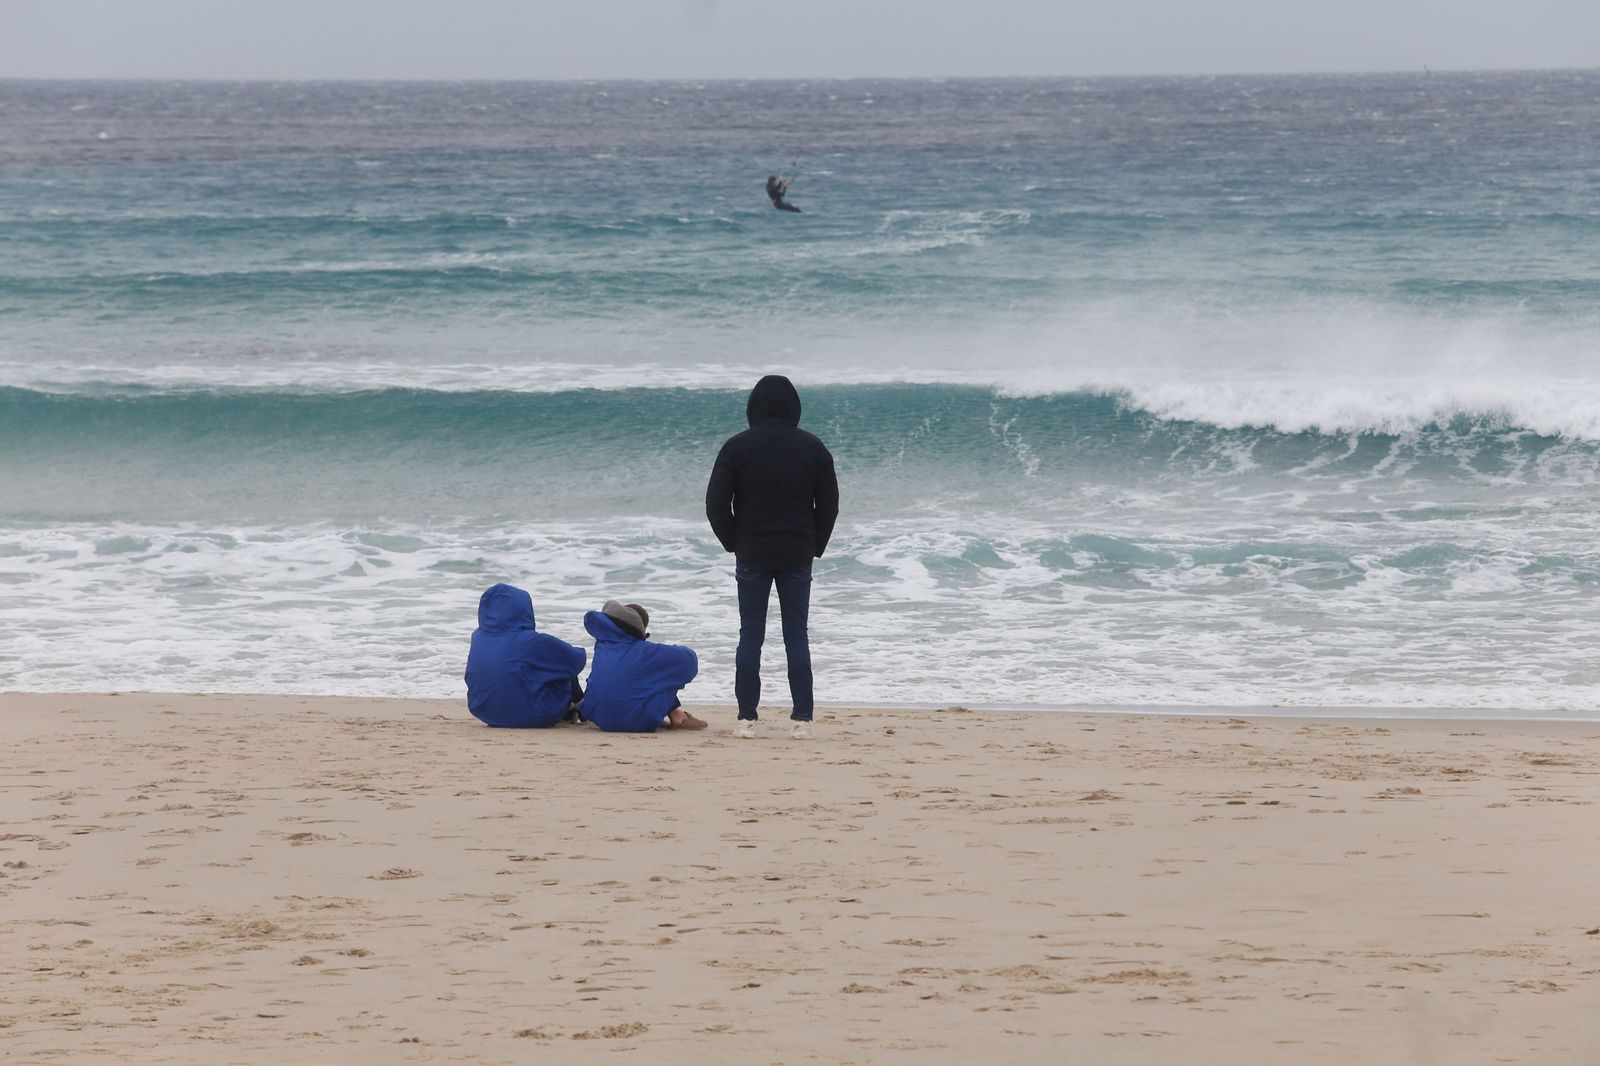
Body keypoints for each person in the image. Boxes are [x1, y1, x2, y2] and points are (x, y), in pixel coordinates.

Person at [705, 375, 839, 739]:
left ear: (753, 408)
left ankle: (746, 718)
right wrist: (816, 544)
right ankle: (802, 720)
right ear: (794, 407)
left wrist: (733, 541)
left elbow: (715, 503)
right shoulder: (813, 448)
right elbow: (828, 504)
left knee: (751, 634)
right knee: (797, 635)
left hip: (752, 552)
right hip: (797, 553)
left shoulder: (736, 448)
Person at [464, 583, 586, 728]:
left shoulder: (477, 637)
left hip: (484, 711)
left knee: (532, 666)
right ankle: (579, 709)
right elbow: (577, 660)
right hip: (534, 715)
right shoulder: (532, 640)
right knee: (561, 665)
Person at [580, 600, 705, 733]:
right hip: (637, 722)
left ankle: (674, 714)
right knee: (664, 675)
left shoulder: (602, 647)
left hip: (600, 719)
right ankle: (678, 716)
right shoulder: (645, 652)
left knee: (632, 677)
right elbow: (690, 661)